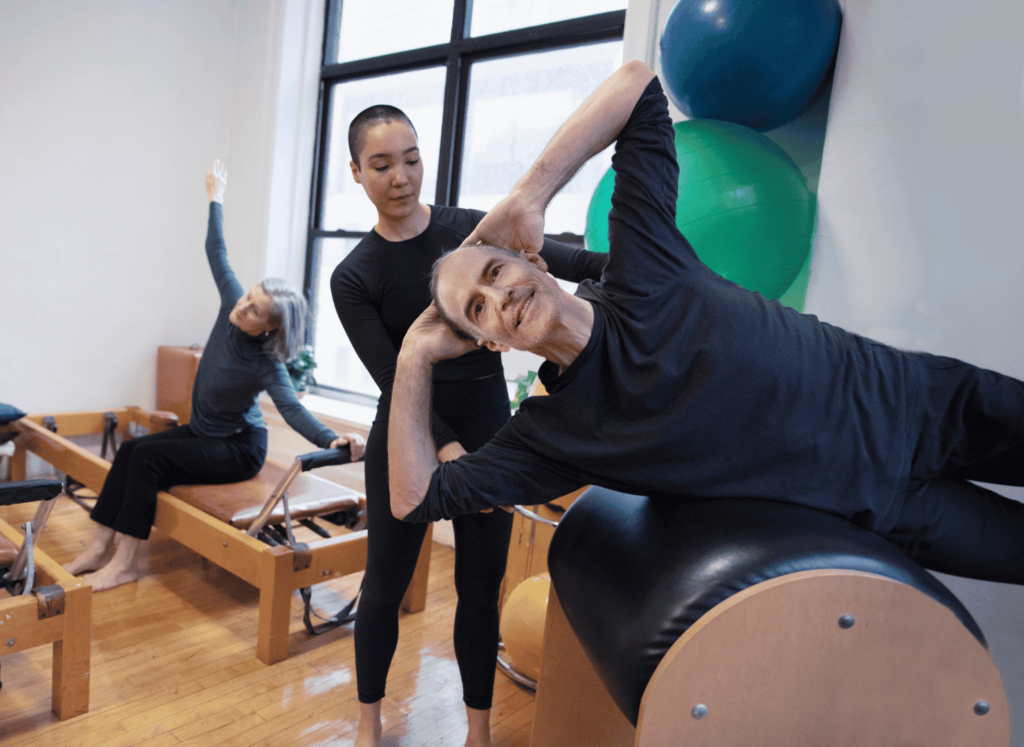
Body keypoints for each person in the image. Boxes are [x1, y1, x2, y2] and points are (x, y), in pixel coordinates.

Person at [388, 59, 1024, 587]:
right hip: (890, 507)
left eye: (495, 274)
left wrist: (528, 195)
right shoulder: (553, 436)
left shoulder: (642, 266)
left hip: (924, 400)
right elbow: (414, 498)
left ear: (530, 258)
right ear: (490, 342)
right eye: (477, 309)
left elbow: (636, 84)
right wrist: (413, 357)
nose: (498, 298)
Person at [331, 104, 606, 747]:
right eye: (381, 165)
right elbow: (393, 374)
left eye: (411, 159)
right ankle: (369, 726)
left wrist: (612, 269)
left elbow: (560, 260)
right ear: (356, 172)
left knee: (479, 590)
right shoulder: (354, 275)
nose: (400, 177)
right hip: (405, 431)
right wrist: (444, 445)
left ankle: (476, 732)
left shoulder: (466, 230)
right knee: (383, 587)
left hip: (489, 432)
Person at [64, 159, 366, 592]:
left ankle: (126, 563)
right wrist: (215, 197)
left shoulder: (267, 362)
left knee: (147, 461)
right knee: (131, 452)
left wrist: (331, 440)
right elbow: (216, 251)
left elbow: (293, 410)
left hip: (237, 450)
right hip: (203, 434)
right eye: (248, 297)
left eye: (254, 310)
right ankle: (98, 548)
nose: (241, 307)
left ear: (270, 328)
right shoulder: (231, 303)